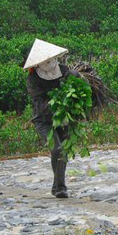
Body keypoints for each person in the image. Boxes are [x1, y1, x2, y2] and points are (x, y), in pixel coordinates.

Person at [24, 39, 77, 198]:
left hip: (64, 119)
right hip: (44, 120)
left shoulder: (63, 70)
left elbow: (74, 82)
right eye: (46, 61)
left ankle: (58, 187)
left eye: (52, 59)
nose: (51, 63)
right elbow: (39, 103)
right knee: (57, 149)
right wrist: (58, 104)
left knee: (62, 152)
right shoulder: (33, 79)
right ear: (38, 64)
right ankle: (60, 187)